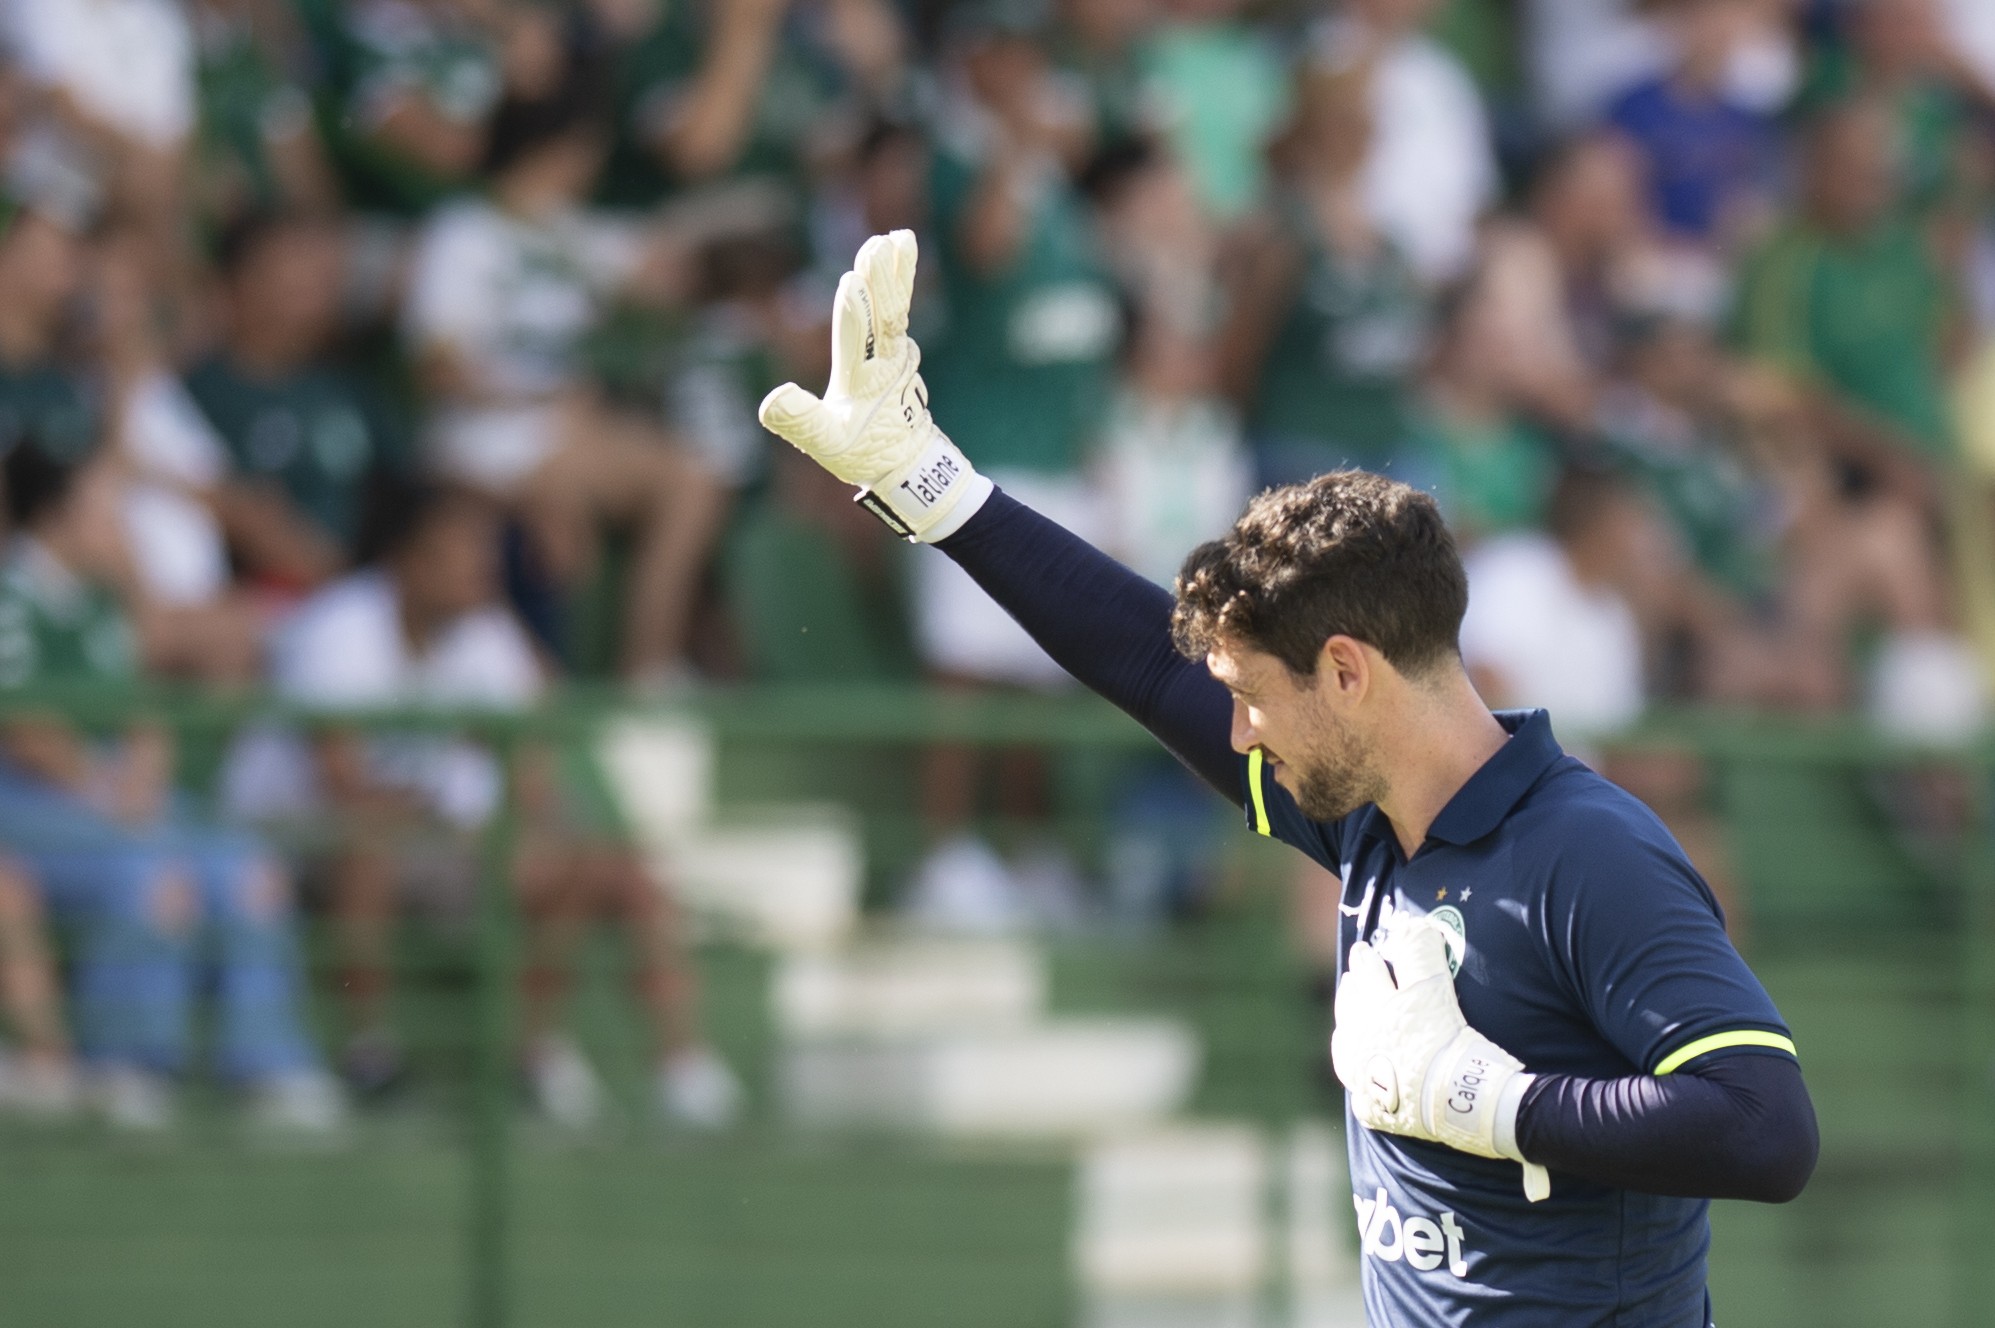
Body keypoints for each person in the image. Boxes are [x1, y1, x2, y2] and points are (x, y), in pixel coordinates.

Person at [757, 231, 1817, 1323]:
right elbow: (1139, 659)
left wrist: (1495, 1105)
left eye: (1253, 697)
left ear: (1346, 672)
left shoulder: (1587, 853)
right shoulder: (1369, 819)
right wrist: (930, 486)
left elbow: (1767, 1129)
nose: (1239, 732)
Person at [225, 478, 739, 1128]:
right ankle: (370, 1054)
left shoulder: (482, 629)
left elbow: (533, 773)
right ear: (408, 561)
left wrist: (520, 827)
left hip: (434, 838)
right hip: (293, 838)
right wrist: (464, 823)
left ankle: (616, 1064)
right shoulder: (341, 627)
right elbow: (342, 784)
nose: (481, 567)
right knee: (368, 841)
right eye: (460, 551)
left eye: (484, 549)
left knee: (597, 859)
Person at [0, 435, 340, 1133]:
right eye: (104, 508)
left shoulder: (101, 602)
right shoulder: (12, 596)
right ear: (58, 515)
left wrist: (143, 774)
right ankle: (129, 1065)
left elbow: (145, 709)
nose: (119, 524)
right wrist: (104, 788)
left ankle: (269, 1066)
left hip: (113, 797)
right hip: (29, 801)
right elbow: (25, 728)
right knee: (150, 875)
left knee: (250, 871)